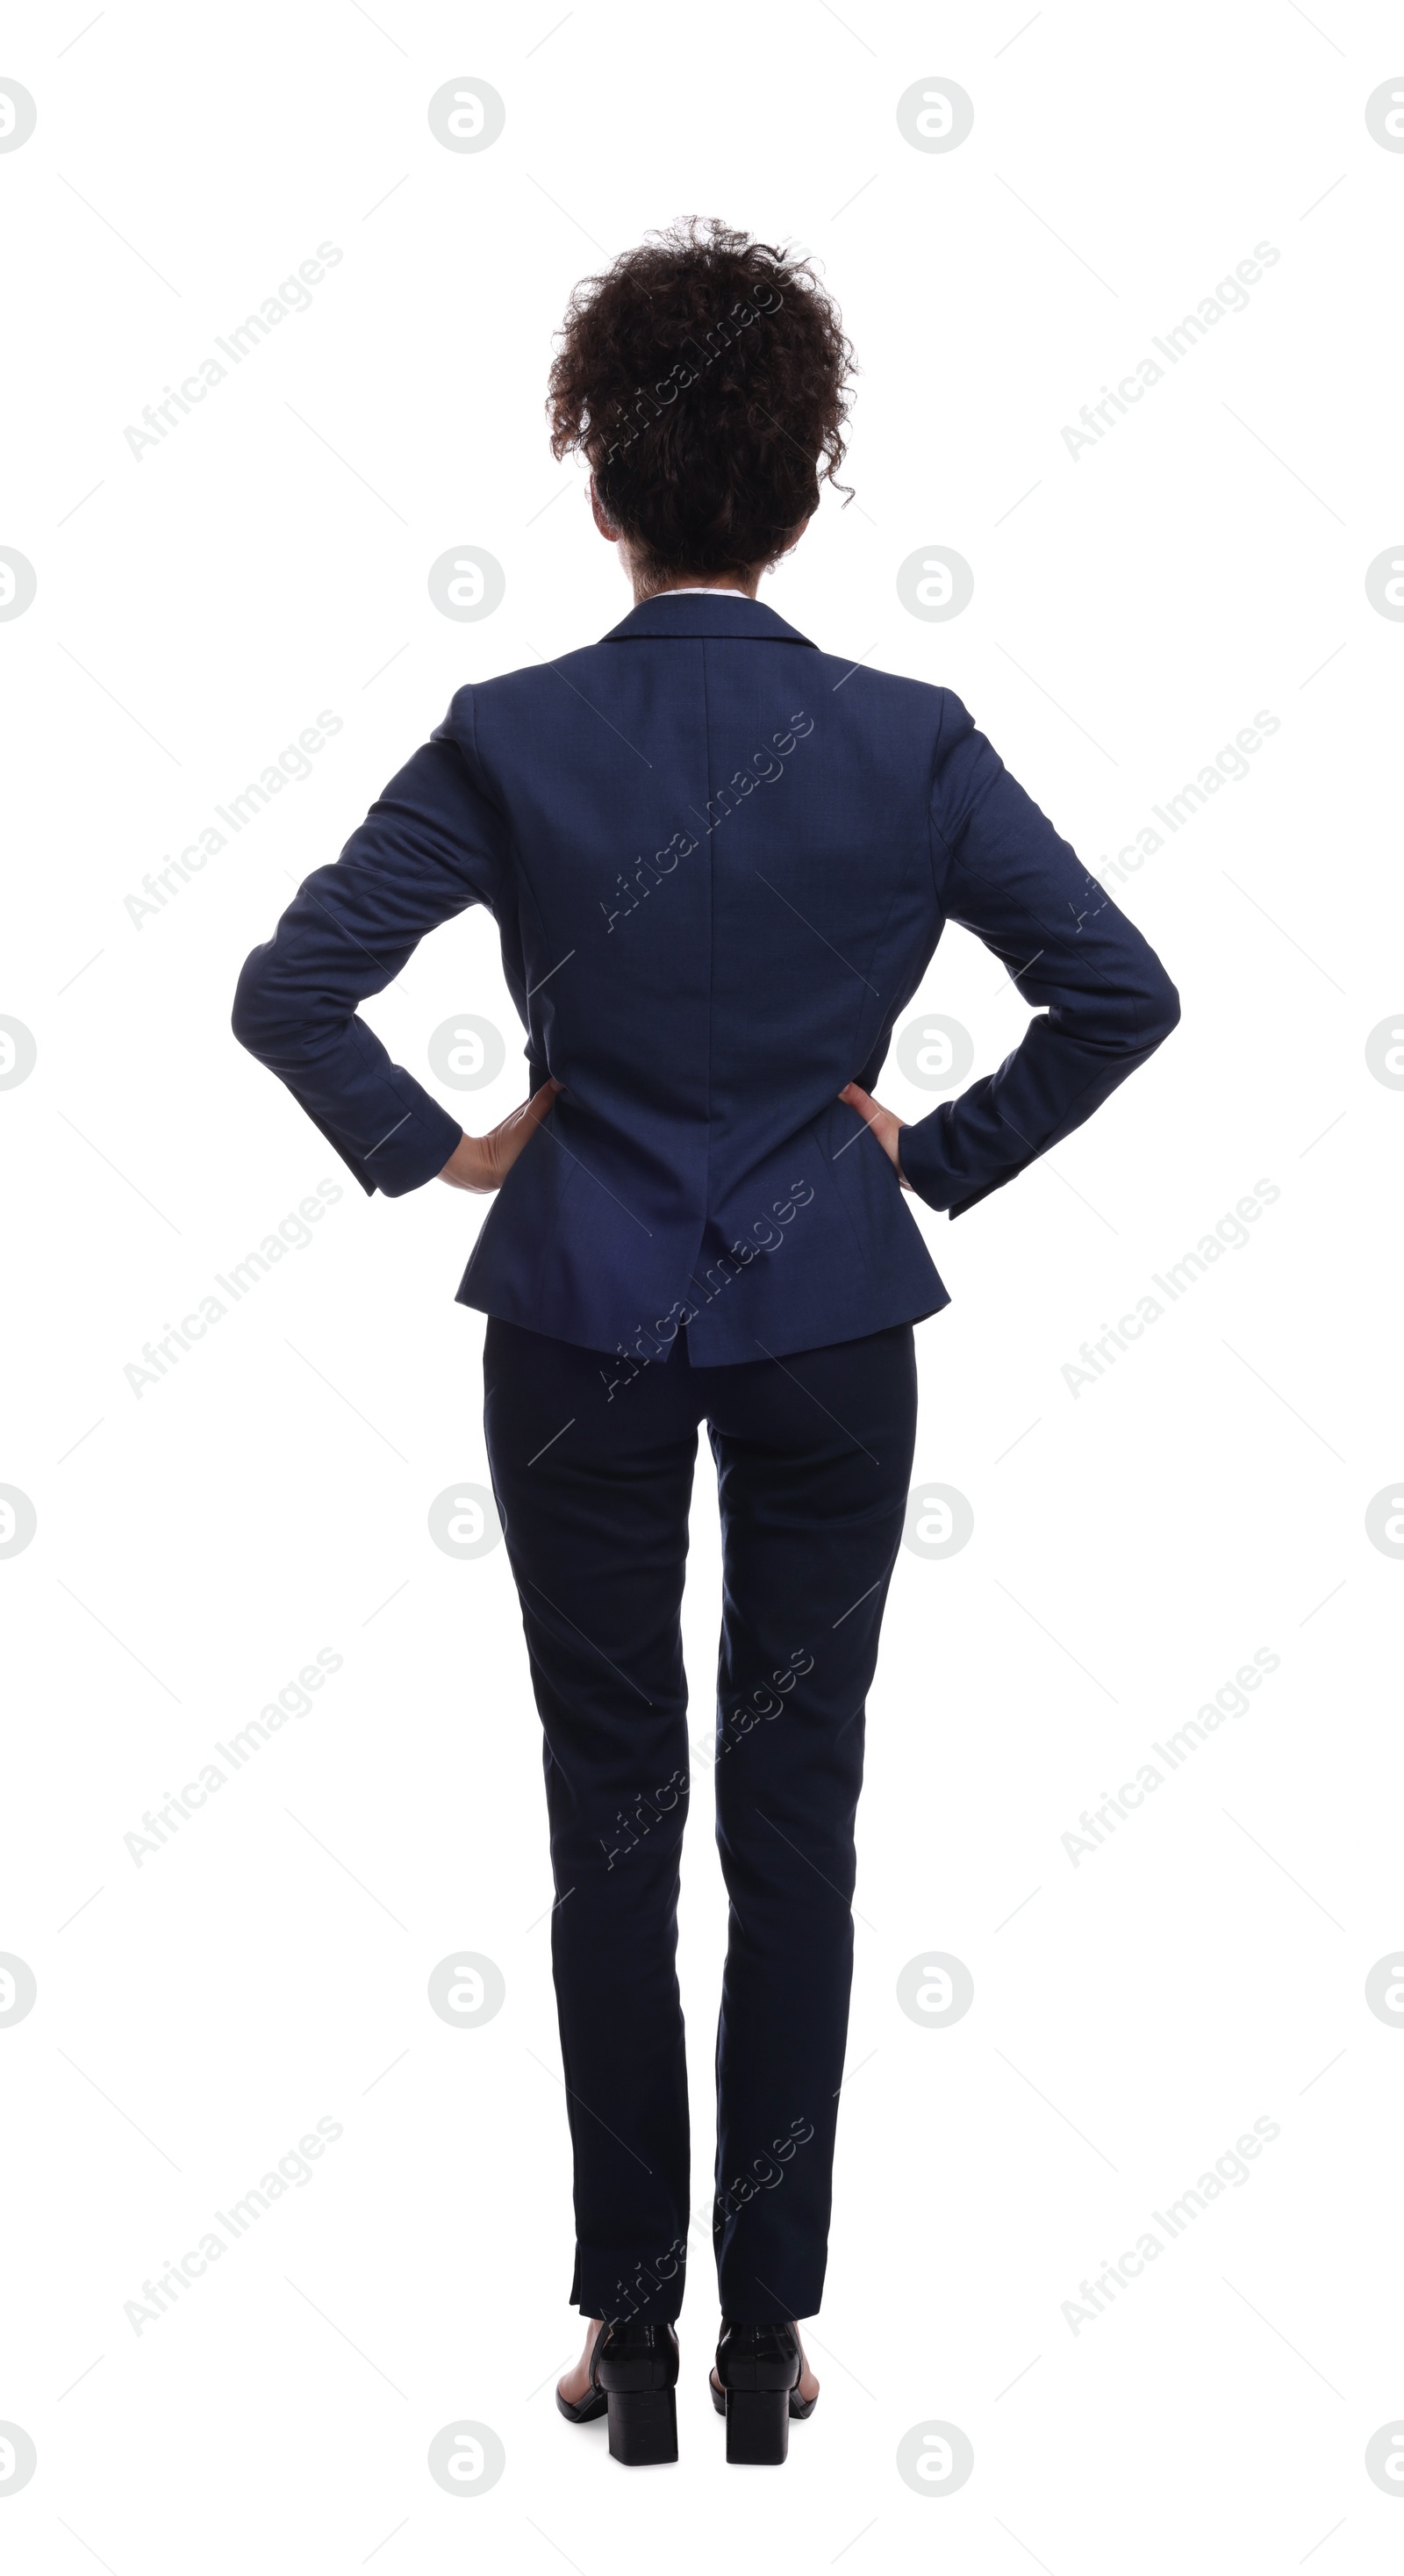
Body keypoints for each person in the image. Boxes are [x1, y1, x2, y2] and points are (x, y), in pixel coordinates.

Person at [232, 218, 1179, 2468]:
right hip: (832, 1324)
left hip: (571, 1321)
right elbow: (1121, 991)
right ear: (803, 475)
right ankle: (774, 2341)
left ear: (598, 479)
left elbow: (285, 988)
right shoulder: (907, 739)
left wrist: (451, 1149)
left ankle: (628, 2337)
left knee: (609, 1823)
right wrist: (922, 1155)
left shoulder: (512, 734)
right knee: (800, 1826)